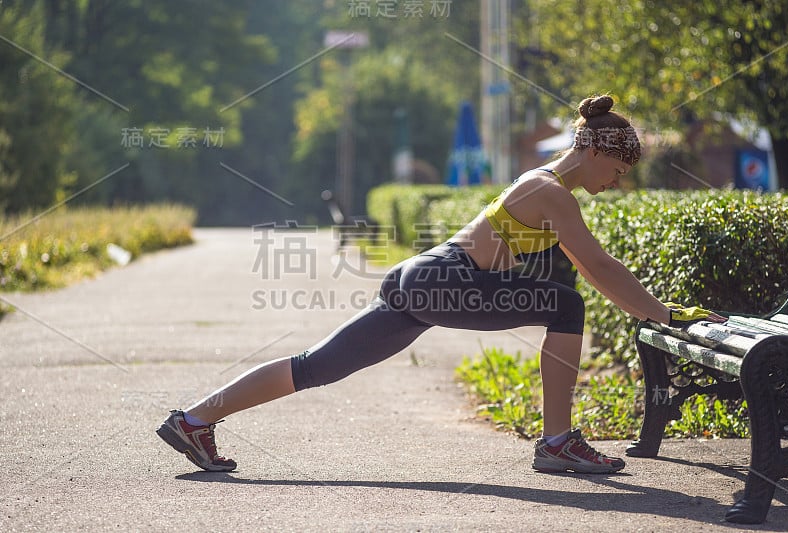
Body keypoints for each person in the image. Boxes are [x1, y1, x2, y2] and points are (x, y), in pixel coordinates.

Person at [156, 95, 725, 474]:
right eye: (619, 170)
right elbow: (599, 268)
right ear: (597, 149)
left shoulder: (545, 187)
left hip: (422, 279)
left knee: (317, 366)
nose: (618, 182)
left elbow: (578, 265)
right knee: (567, 306)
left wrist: (654, 307)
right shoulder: (551, 191)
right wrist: (662, 314)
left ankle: (194, 420)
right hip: (442, 280)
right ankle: (557, 442)